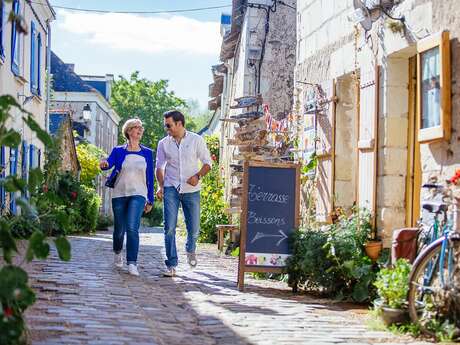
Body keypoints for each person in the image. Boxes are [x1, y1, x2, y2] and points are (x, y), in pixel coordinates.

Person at [156, 110, 212, 277]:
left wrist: (198, 175)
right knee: (169, 228)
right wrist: (160, 186)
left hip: (191, 190)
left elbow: (208, 163)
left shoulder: (196, 140)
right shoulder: (163, 143)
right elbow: (159, 167)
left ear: (179, 124)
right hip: (171, 187)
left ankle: (190, 249)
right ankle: (171, 264)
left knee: (194, 229)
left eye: (169, 125)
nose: (166, 129)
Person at [100, 118, 155, 276]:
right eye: (136, 127)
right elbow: (109, 163)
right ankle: (117, 252)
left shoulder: (147, 153)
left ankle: (132, 263)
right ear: (129, 131)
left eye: (141, 128)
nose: (140, 130)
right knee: (119, 230)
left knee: (132, 228)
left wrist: (150, 199)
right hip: (119, 194)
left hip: (138, 194)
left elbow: (150, 178)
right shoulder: (118, 151)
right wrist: (104, 163)